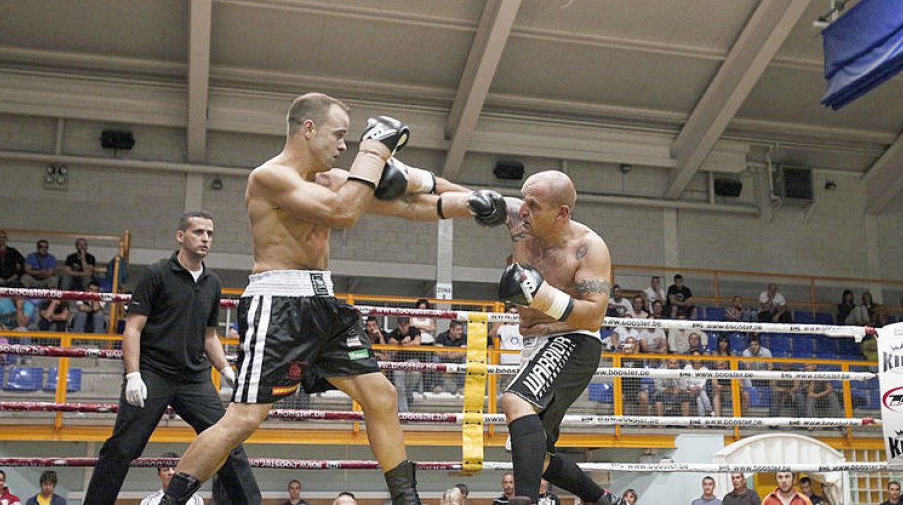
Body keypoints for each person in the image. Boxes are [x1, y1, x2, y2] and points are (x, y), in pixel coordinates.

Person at [157, 94, 506, 505]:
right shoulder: (269, 178)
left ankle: (406, 501)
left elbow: (411, 203)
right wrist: (374, 151)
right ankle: (171, 501)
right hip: (280, 305)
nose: (344, 146)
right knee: (244, 418)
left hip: (324, 305)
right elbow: (344, 213)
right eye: (339, 135)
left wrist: (475, 202)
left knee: (382, 395)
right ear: (308, 129)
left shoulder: (331, 180)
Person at [82, 212, 261, 505]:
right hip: (153, 373)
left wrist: (226, 369)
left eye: (210, 233)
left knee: (228, 443)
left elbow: (209, 336)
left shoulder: (212, 283)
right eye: (198, 232)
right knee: (121, 448)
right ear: (181, 236)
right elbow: (133, 328)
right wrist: (133, 375)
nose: (205, 238)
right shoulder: (157, 274)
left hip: (194, 378)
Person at [497, 170, 623, 505]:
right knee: (531, 451)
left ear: (561, 212)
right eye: (523, 199)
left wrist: (543, 296)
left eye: (533, 204)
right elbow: (471, 199)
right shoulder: (521, 223)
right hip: (534, 345)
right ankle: (604, 500)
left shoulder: (588, 248)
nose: (524, 209)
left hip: (574, 339)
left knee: (515, 400)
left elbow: (594, 315)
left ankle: (524, 502)